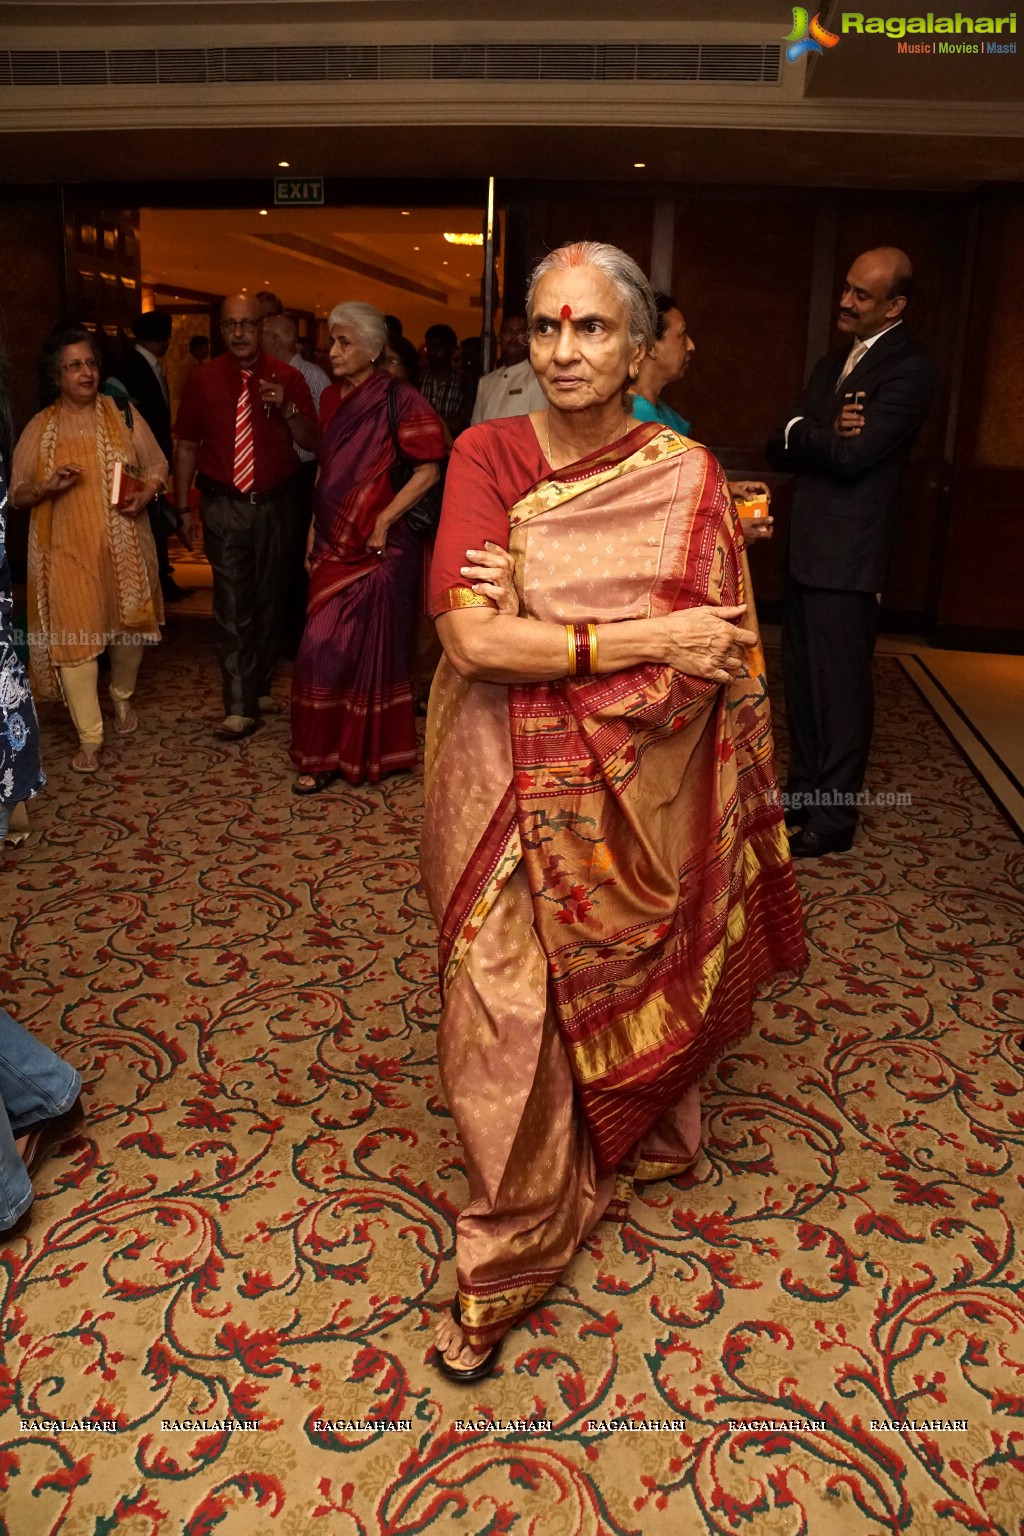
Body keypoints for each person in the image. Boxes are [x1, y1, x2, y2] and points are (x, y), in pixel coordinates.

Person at [421, 241, 806, 1381]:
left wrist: (539, 595)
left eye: (592, 329)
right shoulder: (486, 452)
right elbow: (475, 640)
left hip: (640, 776)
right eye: (545, 327)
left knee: (638, 947)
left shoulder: (682, 473)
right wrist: (641, 631)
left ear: (640, 346)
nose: (565, 351)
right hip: (494, 768)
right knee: (500, 999)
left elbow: (720, 651)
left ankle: (628, 1120)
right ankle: (508, 1242)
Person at [766, 246, 936, 858]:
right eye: (846, 288)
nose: (845, 301)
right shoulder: (833, 363)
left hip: (850, 557)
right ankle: (805, 791)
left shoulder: (908, 369)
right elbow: (777, 441)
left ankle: (834, 819)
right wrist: (813, 430)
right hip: (808, 548)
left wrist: (804, 433)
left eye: (862, 295)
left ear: (895, 305)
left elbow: (852, 456)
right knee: (804, 684)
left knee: (840, 690)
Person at [289, 302, 446, 792]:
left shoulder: (401, 398)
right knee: (319, 647)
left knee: (365, 652)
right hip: (333, 540)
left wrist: (383, 518)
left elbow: (430, 468)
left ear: (374, 349)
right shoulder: (333, 398)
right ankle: (319, 756)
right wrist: (312, 527)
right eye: (332, 341)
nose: (332, 352)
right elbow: (327, 465)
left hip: (380, 548)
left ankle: (365, 754)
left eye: (344, 342)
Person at [10, 327, 166, 773]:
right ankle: (91, 738)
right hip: (65, 552)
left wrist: (147, 492)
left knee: (128, 634)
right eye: (74, 365)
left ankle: (121, 697)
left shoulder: (122, 412)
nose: (86, 372)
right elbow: (17, 492)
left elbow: (157, 463)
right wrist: (46, 486)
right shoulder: (40, 428)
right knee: (75, 644)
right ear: (55, 376)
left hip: (124, 548)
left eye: (91, 363)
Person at [173, 294, 317, 739]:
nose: (238, 333)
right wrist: (182, 506)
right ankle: (238, 704)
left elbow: (313, 441)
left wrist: (288, 408)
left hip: (277, 506)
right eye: (231, 325)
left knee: (271, 602)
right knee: (232, 605)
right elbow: (187, 446)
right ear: (222, 329)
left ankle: (255, 687)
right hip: (223, 506)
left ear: (262, 328)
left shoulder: (289, 377)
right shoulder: (203, 379)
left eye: (247, 325)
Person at [631, 292, 774, 544]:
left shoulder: (661, 411)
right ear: (651, 346)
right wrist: (730, 529)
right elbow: (657, 507)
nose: (691, 346)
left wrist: (727, 489)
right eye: (682, 335)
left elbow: (681, 485)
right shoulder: (633, 416)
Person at [261, 313, 332, 657]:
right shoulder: (269, 374)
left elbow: (320, 432)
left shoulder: (309, 374)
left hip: (306, 473)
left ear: (275, 340)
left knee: (297, 556)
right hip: (286, 475)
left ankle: (296, 635)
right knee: (281, 557)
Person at [111, 309, 190, 602]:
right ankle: (152, 580)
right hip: (139, 460)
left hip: (154, 458)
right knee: (146, 520)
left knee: (155, 519)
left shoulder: (148, 365)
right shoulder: (132, 367)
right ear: (163, 339)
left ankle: (160, 576)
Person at [471, 312, 546, 425]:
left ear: (529, 340)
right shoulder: (486, 382)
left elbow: (539, 431)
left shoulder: (538, 380)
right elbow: (475, 430)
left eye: (520, 332)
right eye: (508, 331)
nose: (514, 337)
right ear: (499, 338)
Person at [419, 324, 470, 439]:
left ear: (451, 350)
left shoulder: (461, 383)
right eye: (430, 347)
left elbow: (461, 422)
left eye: (439, 348)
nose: (433, 353)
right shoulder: (418, 379)